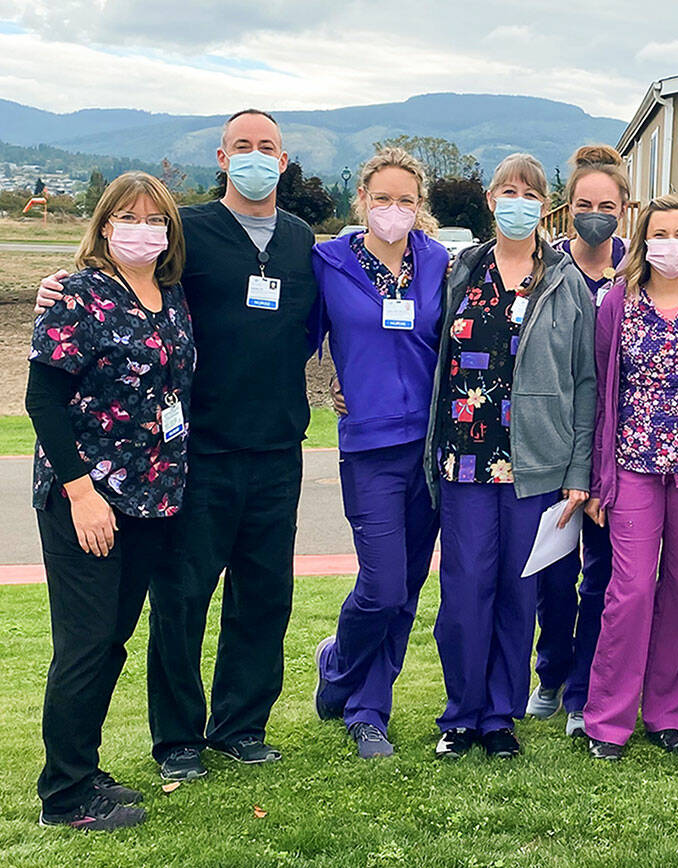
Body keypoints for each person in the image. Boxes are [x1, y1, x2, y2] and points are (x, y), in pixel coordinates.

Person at [36, 109, 318, 782]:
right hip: (194, 453)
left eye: (268, 147)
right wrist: (58, 282)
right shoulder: (184, 231)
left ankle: (242, 725)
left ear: (284, 161)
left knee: (265, 595)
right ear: (223, 156)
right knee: (182, 598)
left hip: (277, 448)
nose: (255, 155)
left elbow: (316, 328)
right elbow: (120, 282)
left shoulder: (304, 240)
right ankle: (178, 739)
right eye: (242, 146)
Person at [26, 172, 193, 829]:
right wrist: (80, 492)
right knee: (86, 641)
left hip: (150, 497)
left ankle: (83, 768)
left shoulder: (171, 296)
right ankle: (64, 799)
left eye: (156, 220)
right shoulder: (77, 294)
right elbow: (42, 398)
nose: (143, 229)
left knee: (112, 639)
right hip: (86, 497)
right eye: (129, 217)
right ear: (103, 225)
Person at [425, 153, 596, 760]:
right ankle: (461, 715)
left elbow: (586, 382)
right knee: (465, 589)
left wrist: (578, 470)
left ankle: (499, 718)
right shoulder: (460, 270)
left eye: (529, 190)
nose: (517, 199)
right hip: (465, 462)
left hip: (536, 465)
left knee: (517, 594)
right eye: (507, 189)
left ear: (542, 202)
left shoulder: (565, 280)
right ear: (490, 198)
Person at [581, 195, 678, 761]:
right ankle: (607, 718)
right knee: (629, 590)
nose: (669, 243)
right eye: (659, 233)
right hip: (631, 466)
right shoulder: (616, 302)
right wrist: (599, 479)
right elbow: (600, 392)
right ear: (643, 240)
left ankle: (668, 713)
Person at [310, 147, 448, 758]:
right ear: (361, 200)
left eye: (406, 200)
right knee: (382, 585)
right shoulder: (326, 262)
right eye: (382, 198)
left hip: (431, 448)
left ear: (420, 209)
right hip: (368, 447)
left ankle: (370, 710)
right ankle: (337, 664)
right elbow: (287, 333)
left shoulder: (441, 262)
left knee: (410, 585)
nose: (394, 210)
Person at [526, 145, 628, 737]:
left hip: (616, 453)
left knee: (605, 579)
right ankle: (550, 673)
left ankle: (584, 691)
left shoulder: (636, 275)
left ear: (623, 210)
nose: (595, 213)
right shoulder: (547, 270)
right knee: (554, 574)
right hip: (557, 447)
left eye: (606, 205)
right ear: (567, 211)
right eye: (584, 203)